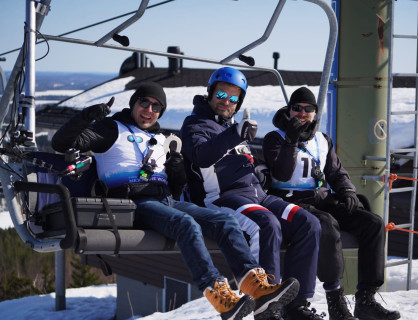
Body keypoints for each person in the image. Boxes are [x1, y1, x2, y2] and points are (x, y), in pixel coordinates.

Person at [51, 82, 300, 320]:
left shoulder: (161, 139)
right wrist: (87, 117)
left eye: (156, 107)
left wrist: (175, 166)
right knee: (186, 225)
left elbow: (177, 186)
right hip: (132, 202)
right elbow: (60, 143)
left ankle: (254, 285)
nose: (149, 111)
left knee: (225, 221)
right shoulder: (111, 129)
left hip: (164, 199)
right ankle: (219, 296)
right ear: (133, 103)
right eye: (144, 103)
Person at [180, 67, 324, 320]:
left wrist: (259, 166)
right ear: (211, 92)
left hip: (257, 194)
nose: (227, 102)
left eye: (234, 98)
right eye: (223, 94)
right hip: (222, 197)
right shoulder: (195, 124)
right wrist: (234, 135)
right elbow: (202, 157)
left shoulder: (232, 125)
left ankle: (297, 305)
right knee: (265, 223)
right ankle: (266, 304)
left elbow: (240, 158)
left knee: (308, 223)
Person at [262, 87, 402, 320]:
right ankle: (335, 299)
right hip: (290, 203)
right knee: (326, 224)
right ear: (289, 111)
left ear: (315, 113)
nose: (302, 113)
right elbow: (283, 173)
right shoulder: (274, 139)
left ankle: (366, 298)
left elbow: (335, 171)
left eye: (308, 109)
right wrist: (291, 140)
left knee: (373, 223)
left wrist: (347, 191)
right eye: (297, 108)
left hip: (321, 199)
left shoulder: (322, 140)